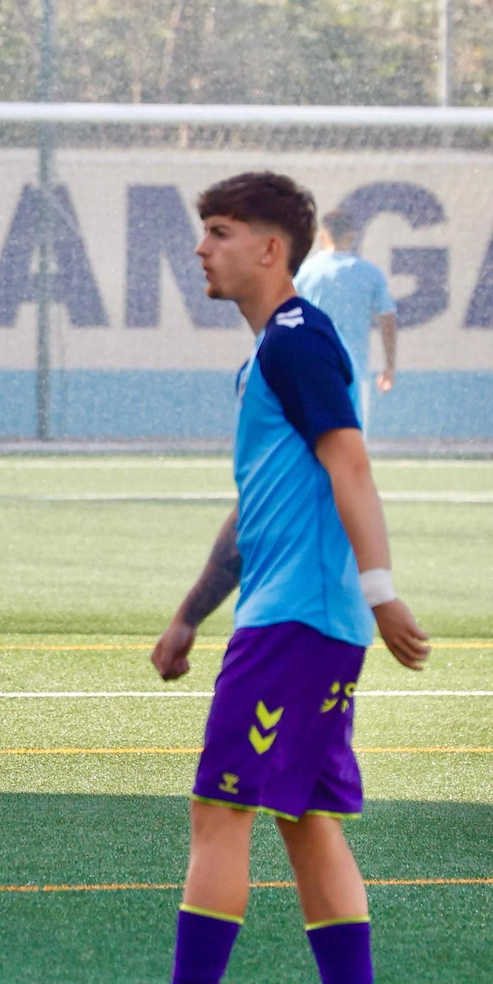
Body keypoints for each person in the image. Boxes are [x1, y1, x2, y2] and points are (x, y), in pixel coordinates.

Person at [150, 172, 430, 984]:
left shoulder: (298, 338)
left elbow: (351, 463)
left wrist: (381, 590)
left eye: (220, 231)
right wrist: (190, 615)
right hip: (302, 620)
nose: (201, 248)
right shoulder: (270, 353)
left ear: (270, 249)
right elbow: (257, 509)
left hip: (296, 624)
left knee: (220, 808)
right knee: (306, 820)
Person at [293, 209, 398, 428]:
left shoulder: (306, 272)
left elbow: (287, 316)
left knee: (314, 435)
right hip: (354, 370)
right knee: (353, 435)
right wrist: (389, 365)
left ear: (322, 235)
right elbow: (387, 319)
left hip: (313, 367)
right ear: (352, 236)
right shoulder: (370, 273)